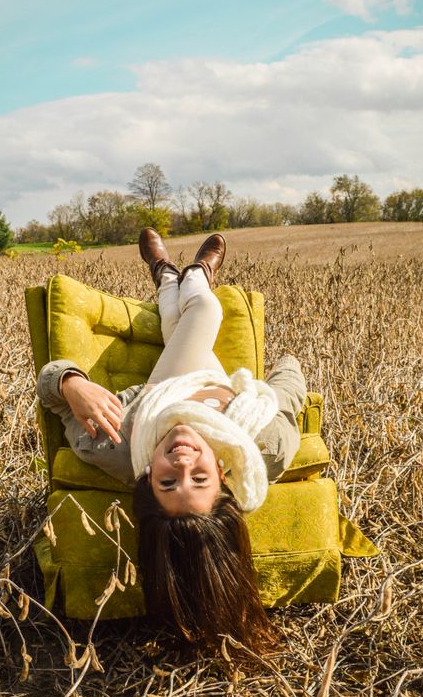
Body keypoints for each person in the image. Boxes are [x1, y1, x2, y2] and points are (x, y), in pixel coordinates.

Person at [36, 229, 307, 653]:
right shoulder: (264, 445)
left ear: (145, 479)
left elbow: (50, 387)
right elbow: (289, 393)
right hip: (220, 385)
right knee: (191, 318)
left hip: (157, 396)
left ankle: (175, 274)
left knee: (199, 314)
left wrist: (73, 384)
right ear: (223, 475)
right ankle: (186, 274)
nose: (182, 464)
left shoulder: (112, 443)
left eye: (167, 483)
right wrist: (279, 371)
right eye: (199, 480)